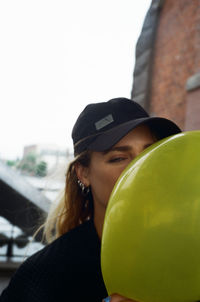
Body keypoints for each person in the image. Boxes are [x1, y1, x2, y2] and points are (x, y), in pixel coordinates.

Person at [0, 97, 181, 302]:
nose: (141, 167)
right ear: (84, 173)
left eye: (150, 153)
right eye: (119, 158)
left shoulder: (188, 252)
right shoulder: (43, 277)